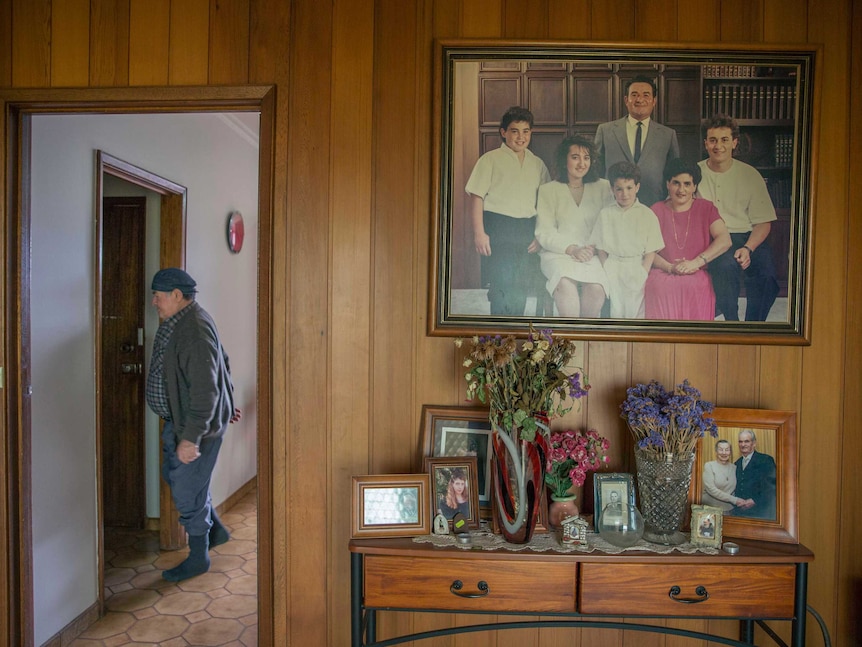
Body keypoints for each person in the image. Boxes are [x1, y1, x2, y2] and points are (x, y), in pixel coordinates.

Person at [146, 268, 239, 582]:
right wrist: (227, 401)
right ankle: (215, 532)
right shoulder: (180, 322)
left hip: (194, 425)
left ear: (175, 295)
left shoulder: (193, 329)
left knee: (186, 488)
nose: (154, 302)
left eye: (158, 296)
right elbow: (220, 362)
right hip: (186, 418)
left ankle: (199, 557)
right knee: (175, 477)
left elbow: (205, 387)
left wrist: (191, 438)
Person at [465, 106, 551, 315]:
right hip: (498, 228)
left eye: (526, 131)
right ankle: (498, 341)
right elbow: (477, 197)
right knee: (501, 284)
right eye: (514, 131)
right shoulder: (490, 159)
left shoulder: (537, 164)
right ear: (503, 133)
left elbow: (546, 203)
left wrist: (540, 237)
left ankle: (514, 340)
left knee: (520, 286)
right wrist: (480, 233)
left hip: (526, 230)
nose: (520, 137)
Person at [697, 114, 780, 321]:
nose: (719, 146)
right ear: (705, 143)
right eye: (713, 140)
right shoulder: (694, 173)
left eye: (725, 140)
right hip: (714, 238)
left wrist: (748, 248)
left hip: (747, 237)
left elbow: (763, 222)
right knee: (725, 268)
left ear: (734, 142)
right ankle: (732, 322)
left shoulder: (750, 174)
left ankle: (754, 325)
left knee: (767, 275)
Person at [534, 135, 614, 317]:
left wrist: (592, 248)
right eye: (575, 157)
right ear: (564, 160)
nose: (581, 163)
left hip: (591, 253)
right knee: (565, 285)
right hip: (559, 254)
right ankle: (568, 342)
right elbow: (544, 232)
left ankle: (587, 341)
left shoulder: (604, 187)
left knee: (596, 289)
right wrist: (571, 249)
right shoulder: (549, 190)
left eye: (586, 158)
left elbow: (610, 225)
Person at [644, 158, 731, 320]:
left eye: (687, 184)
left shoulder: (706, 208)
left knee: (696, 286)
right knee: (656, 287)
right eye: (676, 183)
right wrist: (670, 267)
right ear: (667, 184)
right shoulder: (655, 210)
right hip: (663, 270)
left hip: (696, 271)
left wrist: (696, 263)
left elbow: (725, 239)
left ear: (695, 186)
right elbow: (646, 250)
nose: (681, 189)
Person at [589, 161, 664, 318]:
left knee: (635, 311)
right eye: (619, 189)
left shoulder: (647, 214)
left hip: (636, 266)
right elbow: (600, 247)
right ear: (612, 190)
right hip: (613, 266)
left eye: (629, 188)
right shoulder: (606, 214)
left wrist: (644, 270)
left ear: (637, 187)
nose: (625, 194)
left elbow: (651, 249)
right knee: (615, 311)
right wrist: (606, 266)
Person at [594, 75, 680, 208]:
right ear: (626, 100)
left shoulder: (667, 135)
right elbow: (596, 169)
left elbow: (674, 173)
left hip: (654, 205)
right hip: (612, 205)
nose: (640, 99)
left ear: (654, 101)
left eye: (646, 95)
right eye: (634, 95)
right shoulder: (606, 130)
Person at [734, 429, 777, 520]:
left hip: (760, 513)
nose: (743, 444)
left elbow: (773, 487)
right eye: (740, 442)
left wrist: (754, 501)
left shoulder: (766, 460)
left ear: (754, 443)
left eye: (746, 441)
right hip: (739, 513)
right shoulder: (736, 464)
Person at [702, 439, 746, 513]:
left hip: (729, 510)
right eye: (721, 450)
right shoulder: (709, 466)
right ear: (716, 451)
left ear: (730, 452)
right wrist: (734, 500)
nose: (724, 453)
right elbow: (711, 489)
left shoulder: (735, 467)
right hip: (710, 509)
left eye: (727, 450)